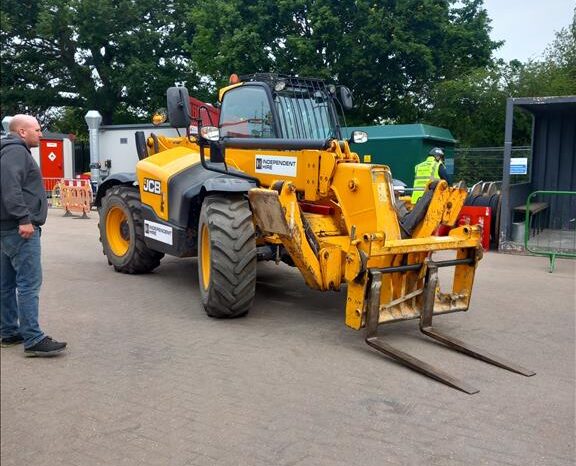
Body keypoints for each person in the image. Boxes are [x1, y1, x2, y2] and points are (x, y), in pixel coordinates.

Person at [0, 114, 67, 356]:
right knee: (28, 283)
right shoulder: (16, 152)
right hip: (20, 230)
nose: (41, 134)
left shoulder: (9, 150)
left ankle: (9, 332)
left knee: (6, 284)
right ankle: (33, 338)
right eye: (37, 130)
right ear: (21, 132)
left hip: (6, 228)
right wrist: (24, 219)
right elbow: (10, 187)